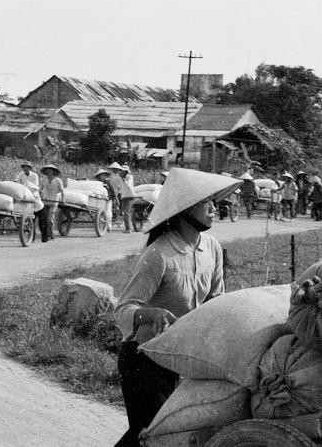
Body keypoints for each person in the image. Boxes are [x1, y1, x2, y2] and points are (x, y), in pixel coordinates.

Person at [113, 168, 239, 447]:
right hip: (144, 358)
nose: (214, 208)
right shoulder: (159, 254)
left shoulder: (212, 248)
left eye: (214, 201)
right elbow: (123, 309)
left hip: (183, 356)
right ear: (185, 208)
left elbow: (215, 299)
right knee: (152, 434)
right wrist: (151, 314)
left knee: (169, 435)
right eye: (206, 202)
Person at [39, 163, 64, 242]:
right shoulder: (44, 179)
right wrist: (39, 196)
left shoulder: (57, 180)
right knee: (44, 219)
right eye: (47, 170)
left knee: (50, 219)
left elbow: (62, 191)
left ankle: (50, 235)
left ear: (53, 171)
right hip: (45, 201)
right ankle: (45, 235)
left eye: (50, 170)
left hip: (54, 201)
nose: (48, 172)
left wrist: (63, 200)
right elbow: (40, 188)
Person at [118, 165, 136, 233]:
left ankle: (129, 229)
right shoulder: (120, 178)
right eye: (121, 171)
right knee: (124, 213)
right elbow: (120, 187)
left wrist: (124, 179)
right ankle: (127, 228)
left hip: (130, 197)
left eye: (123, 171)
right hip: (123, 197)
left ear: (126, 172)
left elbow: (128, 185)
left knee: (126, 212)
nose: (122, 172)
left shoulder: (130, 177)